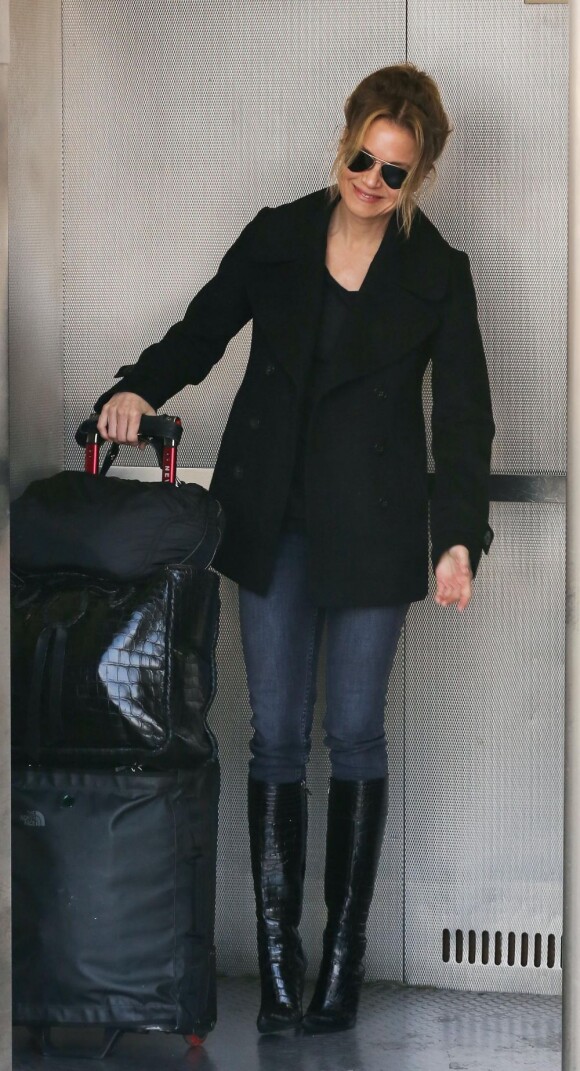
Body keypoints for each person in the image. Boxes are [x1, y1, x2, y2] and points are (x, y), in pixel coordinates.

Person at [95, 63, 495, 1035]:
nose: (370, 180)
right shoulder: (277, 236)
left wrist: (457, 541)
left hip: (375, 531)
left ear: (422, 176)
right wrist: (139, 386)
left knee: (352, 734)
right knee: (276, 735)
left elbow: (465, 423)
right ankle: (280, 960)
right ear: (345, 138)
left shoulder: (437, 273)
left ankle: (343, 960)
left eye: (394, 172)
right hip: (275, 525)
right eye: (362, 156)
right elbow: (202, 330)